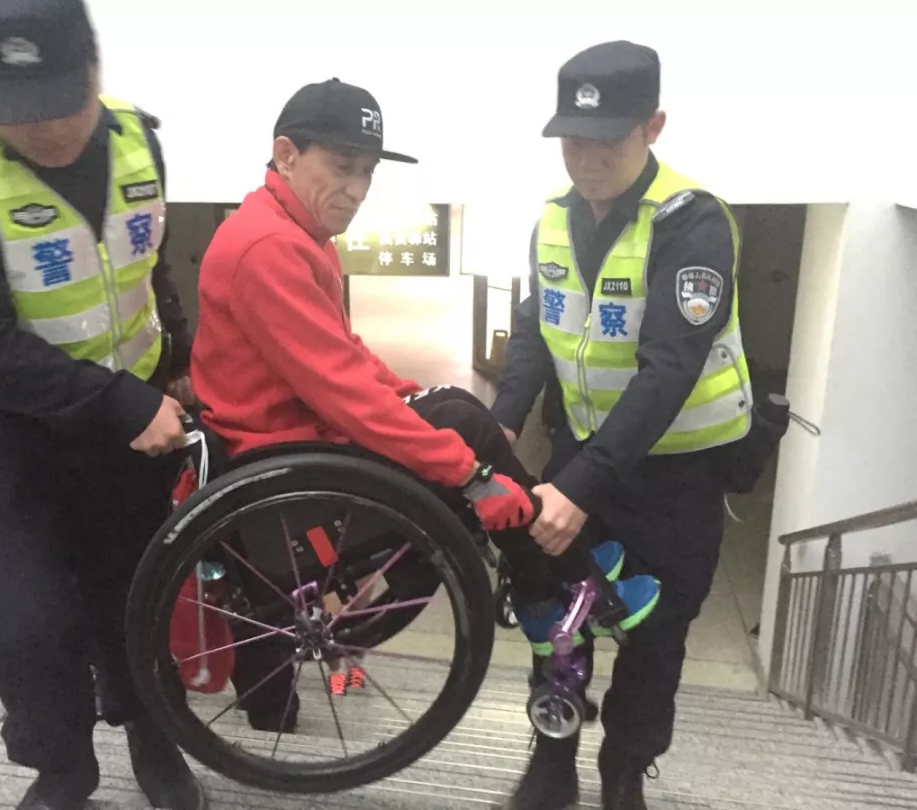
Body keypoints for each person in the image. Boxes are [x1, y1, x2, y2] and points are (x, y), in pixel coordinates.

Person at [187, 78, 659, 728]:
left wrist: (409, 396)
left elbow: (344, 356)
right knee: (461, 431)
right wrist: (473, 476)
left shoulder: (289, 232)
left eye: (367, 172)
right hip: (284, 462)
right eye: (343, 167)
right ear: (287, 154)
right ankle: (561, 586)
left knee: (453, 411)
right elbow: (342, 392)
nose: (357, 189)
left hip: (293, 441)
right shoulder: (270, 247)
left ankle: (554, 582)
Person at [0, 1, 206, 808]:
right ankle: (61, 765)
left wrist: (174, 361)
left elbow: (147, 266)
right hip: (1, 433)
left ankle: (153, 736)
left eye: (65, 100)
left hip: (125, 434)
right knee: (23, 625)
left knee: (134, 600)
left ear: (93, 64)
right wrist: (118, 403)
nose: (49, 128)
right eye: (20, 109)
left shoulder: (139, 140)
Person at [490, 41, 752, 810]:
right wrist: (501, 424)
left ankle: (624, 773)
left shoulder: (693, 223)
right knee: (552, 612)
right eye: (573, 139)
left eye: (607, 139)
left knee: (656, 633)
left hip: (676, 474)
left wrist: (580, 487)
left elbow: (669, 367)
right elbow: (534, 331)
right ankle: (553, 758)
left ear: (653, 126)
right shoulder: (551, 218)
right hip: (581, 454)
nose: (588, 158)